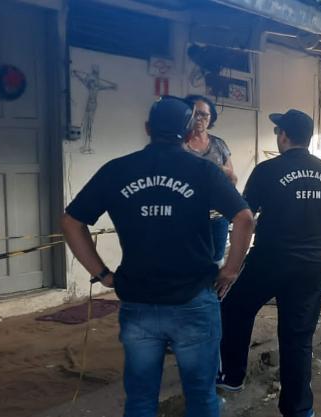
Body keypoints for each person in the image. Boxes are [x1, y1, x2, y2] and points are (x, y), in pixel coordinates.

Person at [61, 96, 254, 417]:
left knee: (140, 397)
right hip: (194, 298)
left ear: (148, 128)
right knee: (201, 395)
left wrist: (103, 275)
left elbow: (70, 221)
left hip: (138, 301)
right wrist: (231, 269)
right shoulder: (204, 170)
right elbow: (244, 218)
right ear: (190, 130)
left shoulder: (117, 170)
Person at [218, 110, 321, 417]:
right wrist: (312, 224)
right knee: (298, 336)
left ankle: (234, 376)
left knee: (234, 308)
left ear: (283, 136)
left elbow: (245, 220)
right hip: (313, 264)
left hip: (270, 259)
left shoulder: (267, 170)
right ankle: (299, 409)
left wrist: (232, 267)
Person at [184, 95, 237, 264]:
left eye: (204, 114)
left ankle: (213, 291)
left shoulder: (219, 145)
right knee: (190, 261)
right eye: (195, 113)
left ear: (211, 117)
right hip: (187, 217)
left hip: (218, 216)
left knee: (216, 261)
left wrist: (221, 171)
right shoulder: (179, 145)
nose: (199, 118)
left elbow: (232, 179)